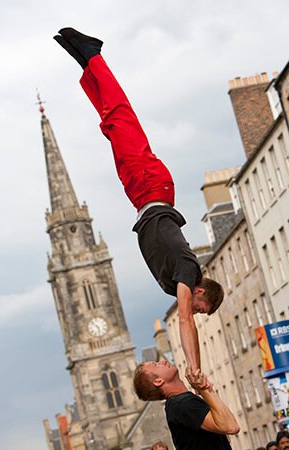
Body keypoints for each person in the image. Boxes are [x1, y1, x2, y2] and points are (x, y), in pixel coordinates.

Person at [53, 27, 224, 372]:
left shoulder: (170, 284)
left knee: (110, 125)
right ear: (203, 294)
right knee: (121, 117)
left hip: (140, 197)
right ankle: (93, 55)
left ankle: (88, 68)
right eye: (201, 310)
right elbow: (185, 324)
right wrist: (194, 366)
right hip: (152, 187)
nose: (194, 312)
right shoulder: (188, 273)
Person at [133, 360, 239, 449]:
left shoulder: (177, 405)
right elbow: (231, 427)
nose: (163, 361)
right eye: (156, 365)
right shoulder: (182, 404)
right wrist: (204, 388)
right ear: (158, 381)